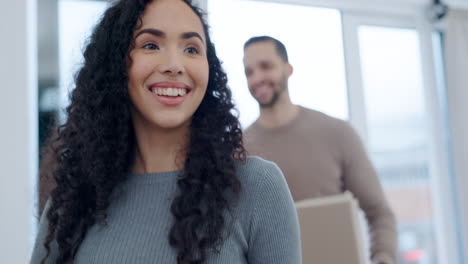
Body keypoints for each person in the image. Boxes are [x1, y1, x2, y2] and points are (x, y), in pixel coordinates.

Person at [30, 2, 301, 264]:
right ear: (116, 64)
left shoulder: (257, 187)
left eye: (192, 49)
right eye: (150, 45)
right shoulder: (73, 202)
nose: (175, 64)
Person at [242, 35, 397, 264]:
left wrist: (383, 258)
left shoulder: (337, 132)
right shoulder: (238, 150)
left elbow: (379, 213)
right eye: (249, 72)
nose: (257, 78)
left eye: (266, 66)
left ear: (288, 69)